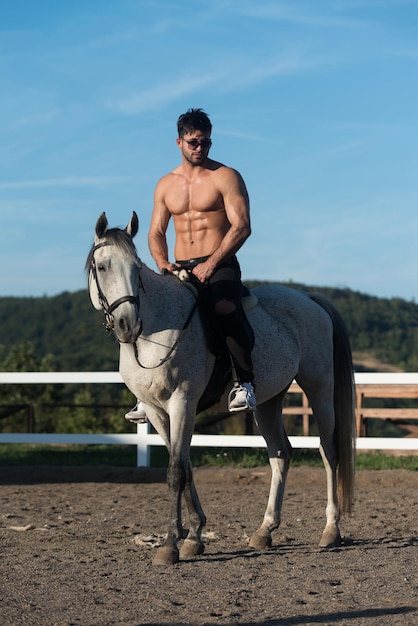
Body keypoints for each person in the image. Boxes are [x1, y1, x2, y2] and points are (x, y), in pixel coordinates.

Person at [125, 108, 256, 423]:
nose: (200, 148)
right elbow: (156, 231)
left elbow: (242, 226)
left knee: (224, 306)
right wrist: (162, 263)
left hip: (220, 263)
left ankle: (245, 382)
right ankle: (145, 393)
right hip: (179, 268)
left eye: (206, 143)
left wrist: (211, 264)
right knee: (142, 311)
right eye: (193, 142)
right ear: (179, 142)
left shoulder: (226, 176)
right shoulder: (166, 185)